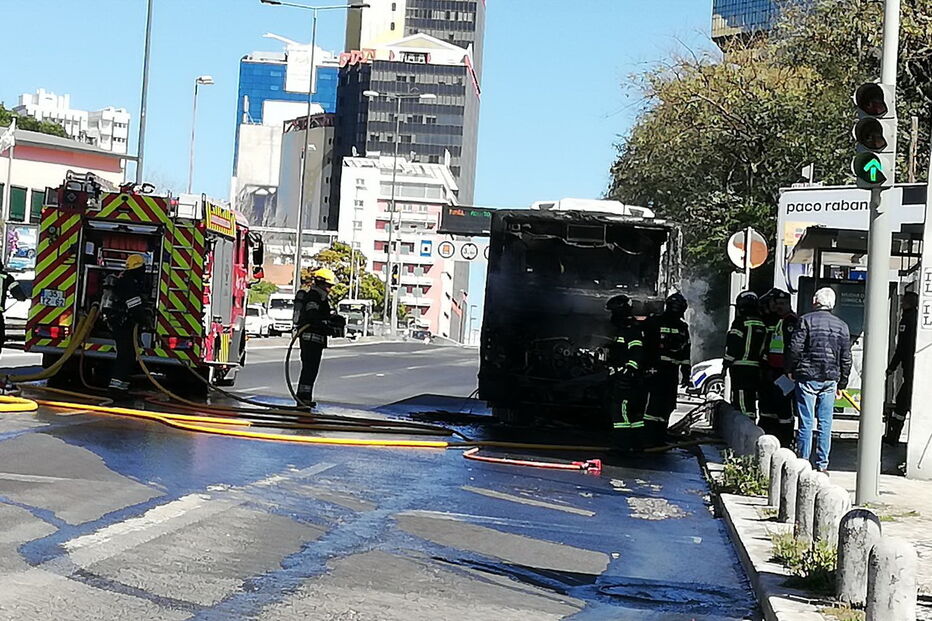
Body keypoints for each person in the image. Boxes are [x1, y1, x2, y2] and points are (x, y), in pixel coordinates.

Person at [787, 287, 851, 473]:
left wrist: (790, 369)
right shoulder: (842, 326)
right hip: (830, 378)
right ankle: (822, 464)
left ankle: (803, 462)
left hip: (807, 376)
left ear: (815, 302)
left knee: (806, 421)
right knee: (825, 422)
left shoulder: (805, 321)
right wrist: (842, 383)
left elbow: (795, 348)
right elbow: (846, 358)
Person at [643, 292, 691, 446]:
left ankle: (658, 436)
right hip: (657, 370)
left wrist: (686, 374)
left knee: (666, 404)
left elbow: (685, 352)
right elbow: (645, 346)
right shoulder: (656, 322)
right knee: (655, 404)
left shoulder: (680, 326)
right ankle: (650, 436)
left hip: (668, 372)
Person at [293, 267, 341, 408]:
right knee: (309, 370)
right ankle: (303, 399)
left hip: (315, 339)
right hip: (310, 339)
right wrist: (328, 325)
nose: (330, 289)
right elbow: (312, 315)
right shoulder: (314, 296)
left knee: (310, 370)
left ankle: (304, 398)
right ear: (321, 283)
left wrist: (333, 320)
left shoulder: (321, 297)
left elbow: (320, 316)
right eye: (328, 286)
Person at [758, 288, 799, 447]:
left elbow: (791, 348)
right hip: (772, 371)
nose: (779, 306)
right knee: (769, 407)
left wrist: (789, 371)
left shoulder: (791, 321)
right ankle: (769, 435)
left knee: (784, 409)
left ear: (789, 304)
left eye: (783, 303)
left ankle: (785, 440)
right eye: (777, 303)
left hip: (784, 372)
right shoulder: (776, 321)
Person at [105, 254, 151, 394]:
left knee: (128, 355)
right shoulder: (129, 284)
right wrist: (145, 322)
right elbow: (134, 308)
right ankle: (115, 388)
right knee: (125, 355)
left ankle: (121, 387)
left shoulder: (127, 280)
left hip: (122, 323)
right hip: (123, 324)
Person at [605, 294, 646, 446]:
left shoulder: (630, 329)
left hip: (628, 379)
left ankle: (622, 446)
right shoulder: (626, 328)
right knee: (634, 416)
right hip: (632, 378)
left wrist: (629, 371)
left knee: (620, 412)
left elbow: (637, 351)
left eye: (613, 312)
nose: (612, 316)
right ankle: (636, 445)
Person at [724, 291, 768, 419]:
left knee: (741, 398)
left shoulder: (740, 322)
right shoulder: (762, 323)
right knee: (750, 397)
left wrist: (726, 364)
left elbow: (733, 345)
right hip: (757, 368)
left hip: (740, 367)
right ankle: (751, 419)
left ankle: (746, 422)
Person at [885, 291, 919, 445]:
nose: (901, 303)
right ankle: (893, 436)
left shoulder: (907, 319)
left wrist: (891, 367)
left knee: (901, 402)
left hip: (910, 370)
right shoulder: (917, 318)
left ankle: (893, 437)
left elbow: (902, 347)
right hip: (915, 369)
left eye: (903, 301)